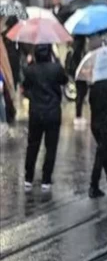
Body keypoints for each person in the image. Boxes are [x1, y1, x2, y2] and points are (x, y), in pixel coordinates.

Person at [22, 44, 67, 192]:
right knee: (51, 147)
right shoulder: (56, 68)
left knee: (32, 145)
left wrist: (32, 97)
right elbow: (65, 80)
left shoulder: (30, 70)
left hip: (36, 113)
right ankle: (46, 180)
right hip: (53, 113)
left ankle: (28, 178)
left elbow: (25, 89)